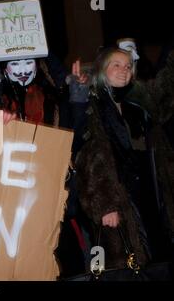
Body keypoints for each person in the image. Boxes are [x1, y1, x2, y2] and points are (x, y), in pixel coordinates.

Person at [75, 47, 174, 269]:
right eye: (116, 65)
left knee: (160, 260)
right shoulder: (92, 109)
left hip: (151, 197)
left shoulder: (138, 109)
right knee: (131, 263)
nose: (124, 71)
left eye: (128, 66)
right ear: (102, 70)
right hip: (120, 204)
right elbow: (88, 159)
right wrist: (105, 204)